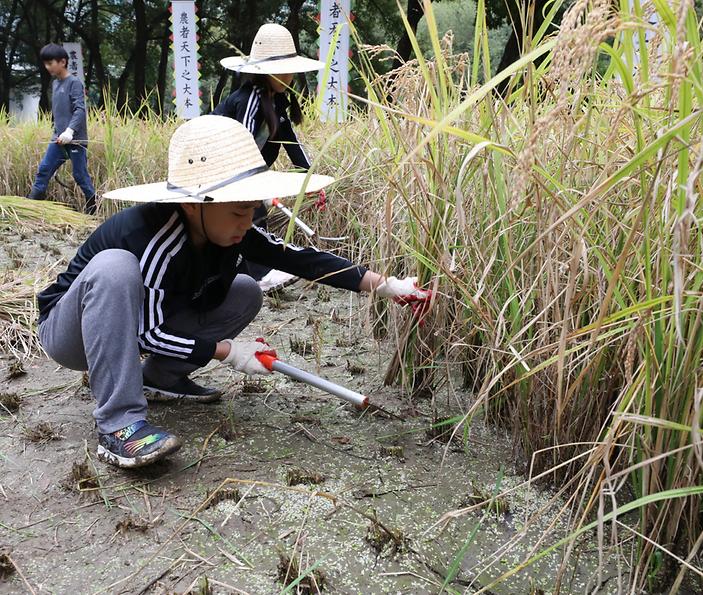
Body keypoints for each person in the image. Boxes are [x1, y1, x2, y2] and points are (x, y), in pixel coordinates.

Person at [36, 115, 432, 469]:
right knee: (115, 267)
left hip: (143, 320)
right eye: (239, 211)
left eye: (252, 210)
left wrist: (384, 285)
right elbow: (148, 333)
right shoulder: (154, 237)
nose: (248, 221)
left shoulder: (231, 226)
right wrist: (227, 352)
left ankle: (159, 378)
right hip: (74, 333)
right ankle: (119, 424)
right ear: (195, 206)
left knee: (244, 290)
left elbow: (300, 258)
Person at [215, 23, 326, 291]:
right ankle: (260, 275)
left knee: (247, 218)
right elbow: (239, 144)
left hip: (248, 173)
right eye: (284, 69)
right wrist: (255, 186)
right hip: (220, 167)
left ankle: (244, 274)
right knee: (249, 213)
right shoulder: (247, 100)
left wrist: (311, 183)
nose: (290, 75)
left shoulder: (278, 102)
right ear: (268, 72)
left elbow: (292, 144)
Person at [27, 43, 97, 215]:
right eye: (46, 63)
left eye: (50, 63)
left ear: (63, 62)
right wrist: (59, 132)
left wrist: (70, 131)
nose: (47, 67)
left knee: (80, 176)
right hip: (58, 138)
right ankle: (29, 208)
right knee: (44, 170)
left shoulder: (74, 83)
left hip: (75, 140)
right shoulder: (55, 84)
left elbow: (80, 109)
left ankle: (93, 206)